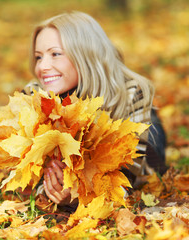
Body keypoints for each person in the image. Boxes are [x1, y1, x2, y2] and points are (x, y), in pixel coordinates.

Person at [21, 11, 167, 207]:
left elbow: (129, 177)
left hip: (142, 147)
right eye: (39, 57)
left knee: (153, 147)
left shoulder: (131, 93)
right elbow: (29, 172)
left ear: (85, 54)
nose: (43, 66)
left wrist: (78, 195)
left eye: (55, 54)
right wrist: (49, 188)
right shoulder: (34, 95)